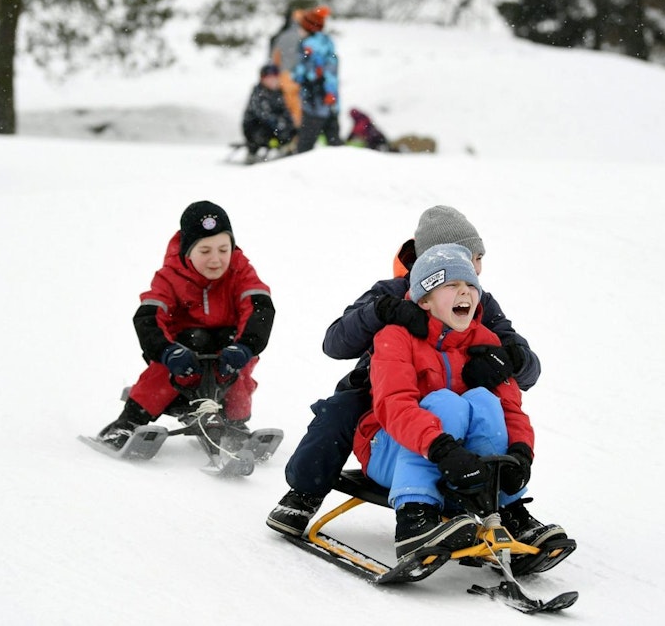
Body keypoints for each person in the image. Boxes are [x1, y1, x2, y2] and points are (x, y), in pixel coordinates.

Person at [267, 206, 564, 572]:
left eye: (477, 260)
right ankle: (304, 493)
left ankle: (502, 507)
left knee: (479, 404)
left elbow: (521, 374)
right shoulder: (391, 292)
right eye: (470, 257)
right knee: (340, 413)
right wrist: (381, 312)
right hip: (381, 387)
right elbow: (335, 343)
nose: (476, 269)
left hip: (451, 393)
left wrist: (511, 359)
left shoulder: (478, 301)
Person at [354, 243, 537, 560]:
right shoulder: (395, 337)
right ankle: (415, 517)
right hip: (388, 451)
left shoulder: (487, 343)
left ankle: (507, 510)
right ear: (424, 299)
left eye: (470, 285)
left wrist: (521, 453)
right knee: (445, 403)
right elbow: (394, 406)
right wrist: (441, 448)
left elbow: (511, 409)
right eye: (451, 285)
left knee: (484, 401)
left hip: (457, 462)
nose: (464, 292)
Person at [95, 201, 276, 450]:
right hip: (182, 356)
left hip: (226, 353)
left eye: (223, 249)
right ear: (188, 251)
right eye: (205, 251)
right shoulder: (170, 276)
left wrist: (246, 346)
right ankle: (130, 421)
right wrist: (166, 350)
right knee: (172, 362)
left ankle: (235, 424)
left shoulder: (240, 271)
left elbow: (259, 307)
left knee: (237, 363)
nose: (216, 259)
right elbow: (148, 317)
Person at [292, 6, 342, 154]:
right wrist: (331, 93)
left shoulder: (309, 46)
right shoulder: (327, 44)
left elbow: (306, 72)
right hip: (330, 102)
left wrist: (299, 76)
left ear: (308, 28)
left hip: (315, 100)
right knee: (334, 141)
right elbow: (331, 72)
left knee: (305, 145)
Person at [241, 63, 297, 160]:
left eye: (275, 78)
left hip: (274, 128)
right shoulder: (259, 93)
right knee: (266, 133)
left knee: (292, 130)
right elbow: (264, 115)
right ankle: (253, 153)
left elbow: (285, 111)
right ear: (263, 79)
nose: (272, 81)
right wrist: (280, 126)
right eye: (269, 78)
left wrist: (290, 125)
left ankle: (287, 149)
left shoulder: (278, 92)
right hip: (255, 129)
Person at [268, 8, 304, 128]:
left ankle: (291, 131)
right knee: (301, 106)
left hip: (285, 76)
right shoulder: (307, 37)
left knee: (288, 106)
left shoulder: (282, 36)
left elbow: (275, 58)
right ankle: (301, 131)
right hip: (302, 77)